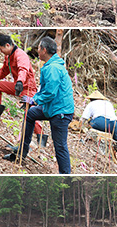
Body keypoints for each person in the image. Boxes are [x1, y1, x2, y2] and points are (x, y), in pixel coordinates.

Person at [6, 37, 74, 173]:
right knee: (30, 114)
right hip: (51, 108)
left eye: (38, 48)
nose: (37, 51)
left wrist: (34, 100)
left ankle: (66, 176)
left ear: (44, 50)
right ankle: (21, 153)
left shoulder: (53, 68)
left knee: (60, 145)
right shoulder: (50, 65)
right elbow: (46, 91)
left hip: (60, 112)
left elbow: (50, 93)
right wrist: (33, 99)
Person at [0, 34, 47, 146]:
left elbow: (23, 70)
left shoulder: (21, 55)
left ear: (8, 45)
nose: (1, 52)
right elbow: (3, 72)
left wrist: (20, 81)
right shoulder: (8, 56)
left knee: (30, 113)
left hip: (27, 88)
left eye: (1, 49)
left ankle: (41, 140)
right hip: (17, 85)